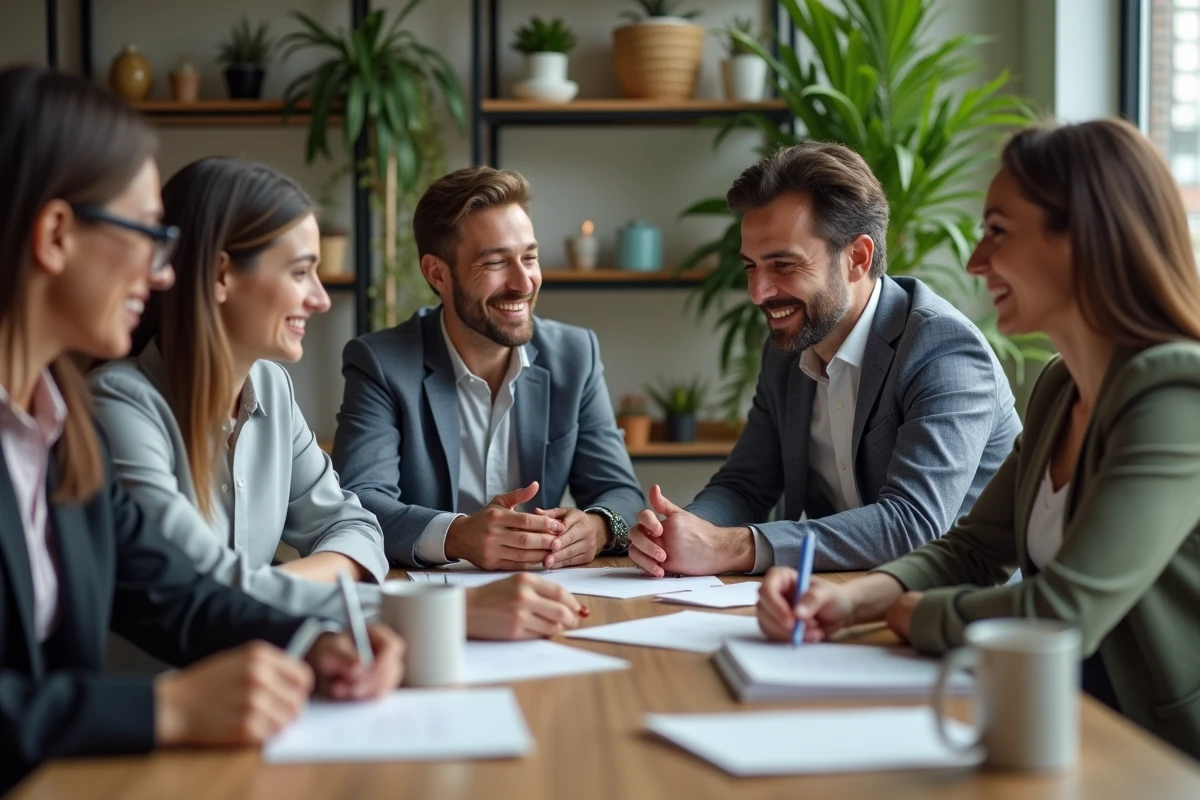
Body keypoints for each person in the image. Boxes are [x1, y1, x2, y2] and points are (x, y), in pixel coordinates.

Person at [0, 66, 401, 793]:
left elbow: (173, 593)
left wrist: (313, 642)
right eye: (146, 235)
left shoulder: (59, 428)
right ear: (56, 235)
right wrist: (165, 709)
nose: (163, 274)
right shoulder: (107, 407)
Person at [757, 119, 1200, 759]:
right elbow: (972, 550)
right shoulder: (1060, 387)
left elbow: (1065, 612)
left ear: (1083, 238)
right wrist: (848, 601)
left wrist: (913, 613)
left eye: (998, 231)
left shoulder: (1176, 396)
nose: (974, 261)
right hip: (1053, 716)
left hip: (1157, 751)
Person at [91, 157, 587, 642]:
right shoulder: (119, 405)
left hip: (268, 671)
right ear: (221, 276)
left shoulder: (271, 388)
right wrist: (440, 613)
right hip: (160, 691)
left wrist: (268, 588)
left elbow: (355, 524)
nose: (321, 299)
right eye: (300, 272)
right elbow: (202, 590)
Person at [629, 142, 1021, 577]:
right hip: (838, 596)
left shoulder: (942, 348)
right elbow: (745, 485)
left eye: (783, 264)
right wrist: (680, 532)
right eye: (751, 267)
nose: (757, 293)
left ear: (857, 258)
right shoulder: (788, 349)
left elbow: (912, 524)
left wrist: (729, 546)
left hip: (957, 605)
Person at [333, 166, 645, 577]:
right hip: (427, 598)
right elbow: (359, 501)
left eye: (529, 258)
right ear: (437, 273)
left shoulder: (574, 354)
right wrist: (457, 535)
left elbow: (621, 492)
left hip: (544, 589)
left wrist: (599, 527)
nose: (524, 283)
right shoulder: (381, 362)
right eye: (496, 262)